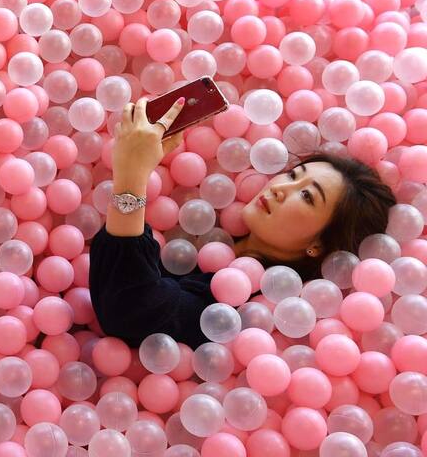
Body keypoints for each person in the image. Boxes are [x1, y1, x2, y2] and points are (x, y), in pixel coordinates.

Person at [89, 95, 396, 348]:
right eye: (292, 176)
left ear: (319, 244)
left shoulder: (250, 309)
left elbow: (129, 310)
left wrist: (131, 175)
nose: (279, 188)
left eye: (306, 196)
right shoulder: (211, 234)